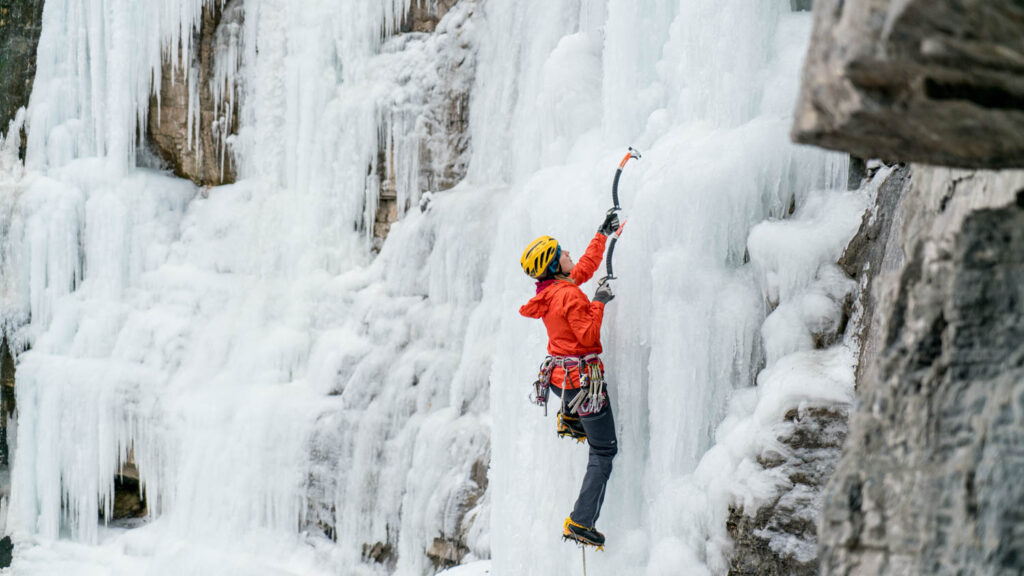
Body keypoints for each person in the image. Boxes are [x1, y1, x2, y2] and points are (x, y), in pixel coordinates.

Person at [518, 212, 620, 549]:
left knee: (579, 408)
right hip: (582, 386)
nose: (568, 253)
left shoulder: (552, 291)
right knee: (603, 451)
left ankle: (571, 420)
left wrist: (601, 234)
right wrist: (599, 301)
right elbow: (589, 336)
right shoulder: (571, 296)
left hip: (560, 382)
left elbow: (583, 269)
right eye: (562, 252)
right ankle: (581, 521)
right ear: (554, 264)